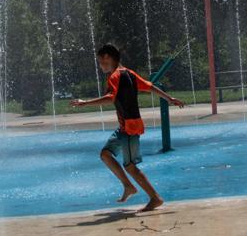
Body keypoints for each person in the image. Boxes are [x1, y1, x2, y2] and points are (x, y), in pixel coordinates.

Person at [70, 43, 184, 212]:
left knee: (130, 166)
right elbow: (150, 86)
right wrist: (169, 98)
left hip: (130, 127)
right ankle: (128, 186)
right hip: (125, 126)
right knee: (106, 154)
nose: (100, 65)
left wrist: (86, 103)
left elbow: (111, 97)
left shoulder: (115, 76)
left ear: (108, 58)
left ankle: (155, 198)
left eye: (101, 62)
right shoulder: (129, 73)